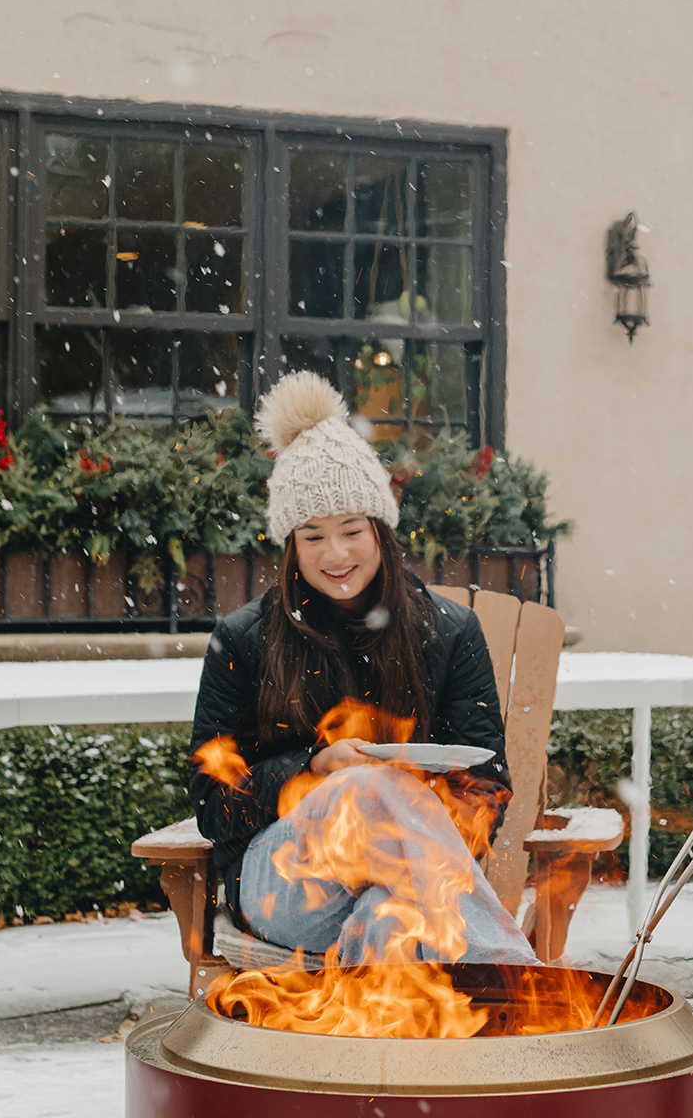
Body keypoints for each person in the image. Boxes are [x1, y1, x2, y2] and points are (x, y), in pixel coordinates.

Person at [189, 370, 535, 967]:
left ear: (380, 530)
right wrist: (314, 769)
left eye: (352, 530)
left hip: (414, 885)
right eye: (312, 536)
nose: (336, 554)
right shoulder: (244, 641)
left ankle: (367, 1062)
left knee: (387, 915)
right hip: (288, 887)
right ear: (290, 545)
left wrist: (414, 803)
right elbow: (213, 802)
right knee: (367, 783)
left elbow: (487, 784)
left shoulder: (448, 633)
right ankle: (510, 974)